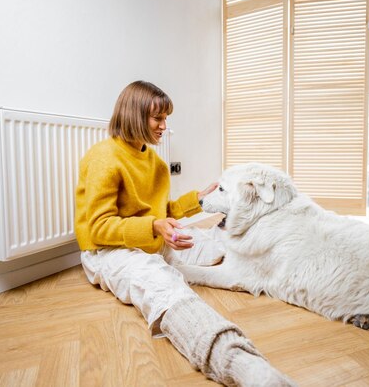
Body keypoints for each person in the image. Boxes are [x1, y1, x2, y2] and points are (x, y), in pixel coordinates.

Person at [74, 80, 294, 387]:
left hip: (150, 240)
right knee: (164, 285)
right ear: (135, 116)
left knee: (215, 246)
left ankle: (284, 271)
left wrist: (197, 200)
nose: (165, 126)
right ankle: (240, 365)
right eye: (158, 119)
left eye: (166, 118)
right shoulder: (103, 158)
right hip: (107, 250)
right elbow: (97, 227)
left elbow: (162, 212)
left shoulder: (155, 163)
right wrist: (153, 226)